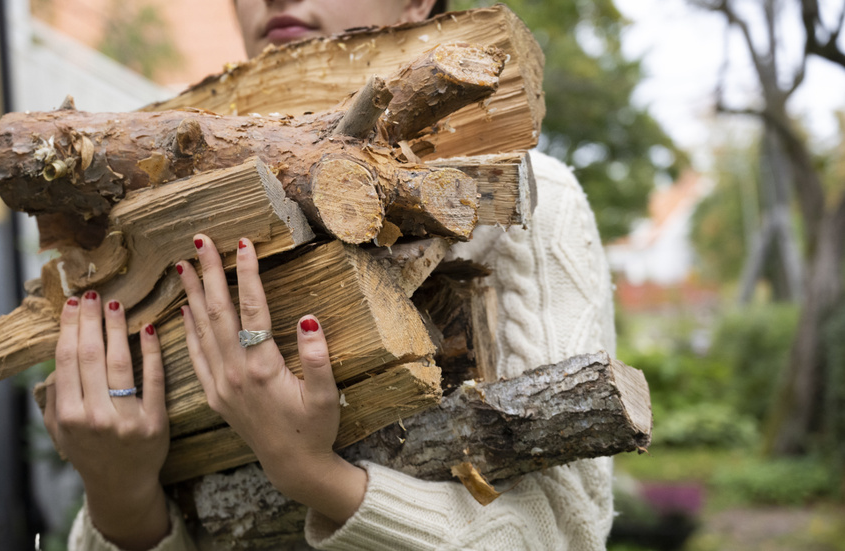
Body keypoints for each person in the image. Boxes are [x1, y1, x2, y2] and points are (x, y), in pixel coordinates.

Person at [43, 1, 617, 549]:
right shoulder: (163, 209)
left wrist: (314, 475)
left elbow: (569, 536)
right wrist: (120, 495)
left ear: (417, 2)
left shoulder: (507, 194)